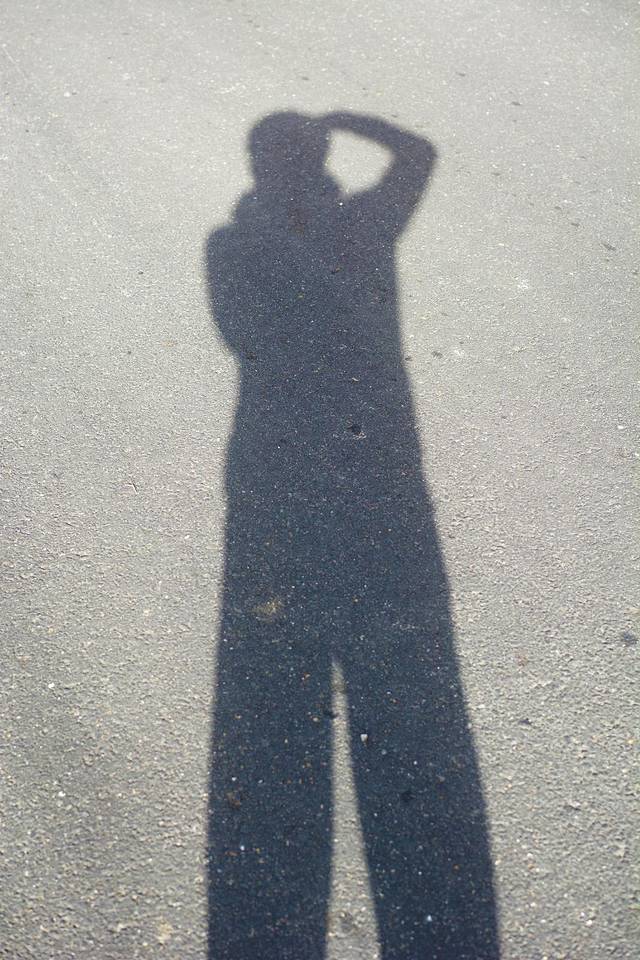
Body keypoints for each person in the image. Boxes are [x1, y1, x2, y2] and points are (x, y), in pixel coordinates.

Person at [205, 111, 498, 959]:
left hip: (279, 494)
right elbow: (420, 151)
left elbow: (247, 338)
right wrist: (346, 124)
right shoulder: (361, 226)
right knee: (405, 703)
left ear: (261, 167)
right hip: (375, 488)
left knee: (273, 710)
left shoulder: (238, 246)